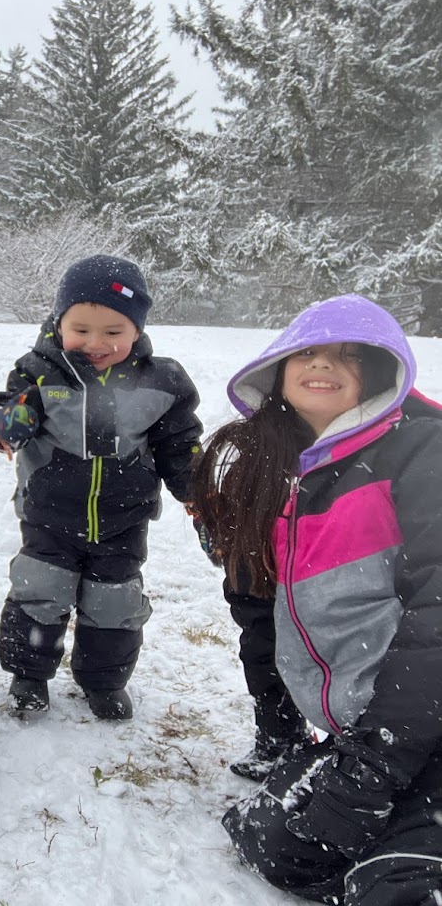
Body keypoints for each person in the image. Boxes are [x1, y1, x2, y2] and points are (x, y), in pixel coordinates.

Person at [191, 294, 442, 904]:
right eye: (307, 350)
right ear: (278, 366)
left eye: (349, 355)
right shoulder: (275, 466)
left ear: (382, 372)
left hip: (415, 724)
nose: (322, 364)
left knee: (391, 888)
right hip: (370, 732)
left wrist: (371, 773)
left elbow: (436, 619)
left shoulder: (422, 452)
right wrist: (282, 731)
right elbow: (259, 615)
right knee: (276, 841)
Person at [0, 255, 203, 720]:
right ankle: (29, 675)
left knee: (114, 602)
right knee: (40, 592)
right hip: (49, 511)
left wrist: (197, 490)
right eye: (80, 329)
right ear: (59, 323)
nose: (95, 343)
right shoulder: (40, 371)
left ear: (137, 331)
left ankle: (103, 681)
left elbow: (178, 445)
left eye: (113, 332)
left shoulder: (162, 381)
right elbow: (3, 412)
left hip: (124, 517)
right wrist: (6, 422)